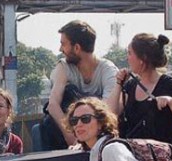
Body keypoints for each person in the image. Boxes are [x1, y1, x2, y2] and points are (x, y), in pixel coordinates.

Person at [110, 33, 172, 151]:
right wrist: (118, 84)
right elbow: (110, 114)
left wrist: (171, 102)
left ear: (142, 59)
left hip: (164, 160)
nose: (127, 58)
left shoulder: (168, 84)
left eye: (130, 53)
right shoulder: (130, 86)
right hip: (134, 158)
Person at [41, 20, 119, 150]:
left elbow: (108, 112)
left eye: (63, 44)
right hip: (71, 130)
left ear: (76, 48)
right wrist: (72, 138)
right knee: (48, 122)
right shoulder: (64, 67)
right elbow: (53, 105)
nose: (60, 49)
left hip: (98, 130)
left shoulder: (108, 70)